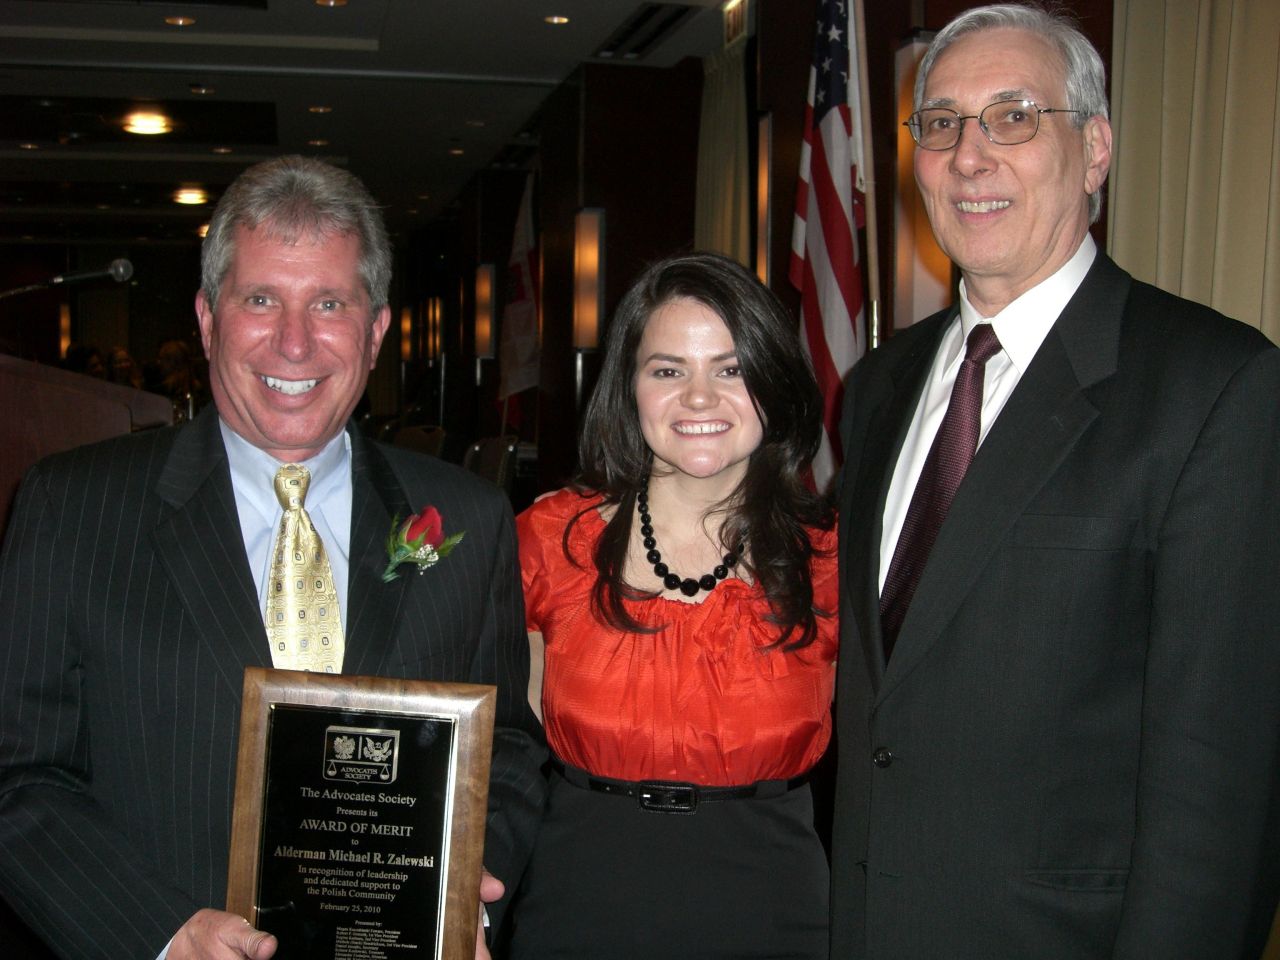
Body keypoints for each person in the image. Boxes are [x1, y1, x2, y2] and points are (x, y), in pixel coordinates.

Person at [0, 156, 545, 960]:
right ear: (208, 319)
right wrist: (158, 933)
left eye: (328, 302)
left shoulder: (466, 519)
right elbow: (17, 779)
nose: (295, 342)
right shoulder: (71, 512)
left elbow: (509, 753)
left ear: (376, 330)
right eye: (261, 300)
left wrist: (464, 889)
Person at [830, 4, 1280, 958]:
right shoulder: (877, 388)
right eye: (941, 122)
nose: (969, 156)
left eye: (1014, 115)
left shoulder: (1214, 386)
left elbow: (1221, 777)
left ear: (1097, 148)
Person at [507, 252, 838, 958]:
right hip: (577, 906)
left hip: (775, 915)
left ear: (772, 382)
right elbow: (492, 754)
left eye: (729, 368)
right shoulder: (546, 546)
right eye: (667, 370)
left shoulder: (837, 562)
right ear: (629, 387)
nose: (698, 398)